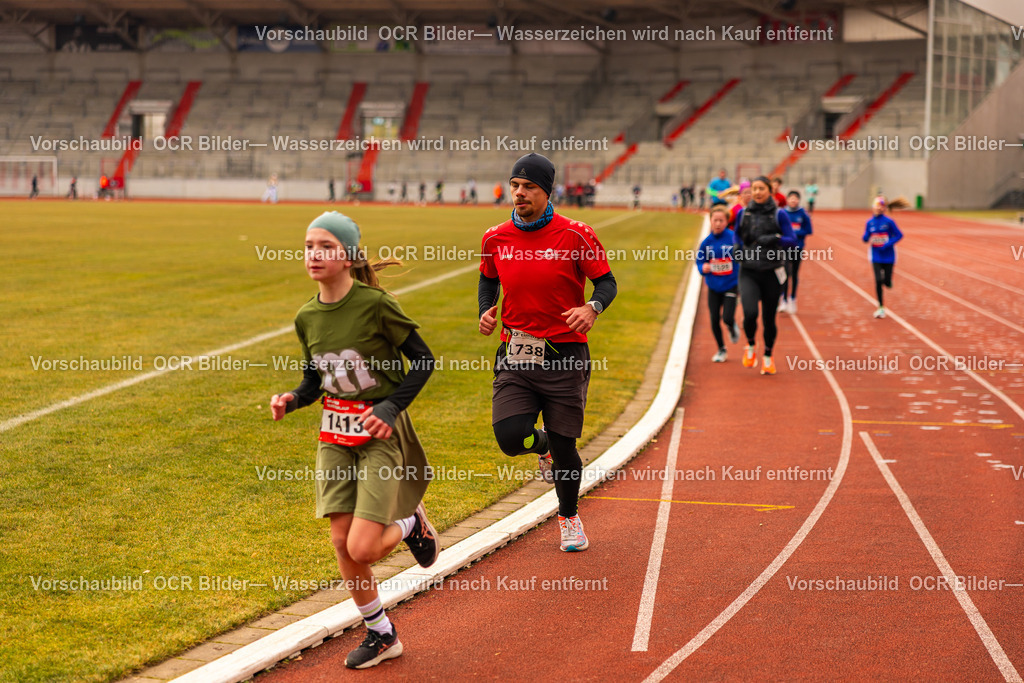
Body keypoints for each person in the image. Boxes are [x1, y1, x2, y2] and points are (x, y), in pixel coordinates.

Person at [270, 211, 439, 669]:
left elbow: (424, 362)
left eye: (325, 246)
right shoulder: (306, 315)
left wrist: (388, 408)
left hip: (380, 433)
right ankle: (381, 633)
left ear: (347, 256)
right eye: (308, 246)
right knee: (342, 543)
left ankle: (411, 524)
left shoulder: (374, 305)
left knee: (364, 548)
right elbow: (315, 380)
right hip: (333, 435)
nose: (314, 255)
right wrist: (293, 398)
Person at [478, 153, 617, 552]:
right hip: (516, 353)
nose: (519, 193)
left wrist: (592, 308)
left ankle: (569, 517)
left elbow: (606, 283)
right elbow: (488, 283)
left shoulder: (576, 234)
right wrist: (486, 311)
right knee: (509, 437)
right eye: (515, 185)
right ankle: (542, 448)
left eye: (529, 187)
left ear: (546, 191)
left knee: (566, 446)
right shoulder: (495, 237)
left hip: (565, 355)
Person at [733, 176, 798, 375]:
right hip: (749, 271)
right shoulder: (744, 214)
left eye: (761, 188)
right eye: (754, 189)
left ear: (770, 190)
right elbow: (736, 235)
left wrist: (775, 239)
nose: (757, 192)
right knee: (750, 313)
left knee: (769, 320)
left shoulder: (780, 215)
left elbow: (792, 241)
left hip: (772, 271)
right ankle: (751, 345)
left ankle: (768, 356)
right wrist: (736, 248)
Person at [695, 205, 740, 362]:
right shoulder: (706, 243)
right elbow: (699, 261)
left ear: (727, 221)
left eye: (721, 220)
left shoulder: (734, 238)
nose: (718, 223)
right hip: (714, 286)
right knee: (714, 319)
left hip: (731, 284)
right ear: (711, 221)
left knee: (726, 317)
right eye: (715, 220)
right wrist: (703, 267)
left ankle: (731, 326)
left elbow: (742, 259)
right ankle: (721, 349)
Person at [862, 195, 907, 318]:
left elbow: (899, 235)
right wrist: (866, 237)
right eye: (875, 206)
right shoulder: (869, 222)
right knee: (877, 281)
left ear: (883, 209)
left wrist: (887, 244)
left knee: (886, 282)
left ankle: (888, 282)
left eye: (879, 207)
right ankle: (881, 307)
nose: (877, 209)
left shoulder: (889, 222)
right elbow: (866, 236)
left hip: (889, 256)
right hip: (876, 256)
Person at [781, 190, 812, 314]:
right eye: (791, 198)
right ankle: (783, 299)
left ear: (798, 200)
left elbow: (809, 230)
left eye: (795, 198)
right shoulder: (782, 213)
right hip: (784, 248)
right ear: (787, 200)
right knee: (784, 273)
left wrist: (794, 233)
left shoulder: (803, 214)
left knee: (794, 274)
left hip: (798, 248)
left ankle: (792, 298)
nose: (793, 200)